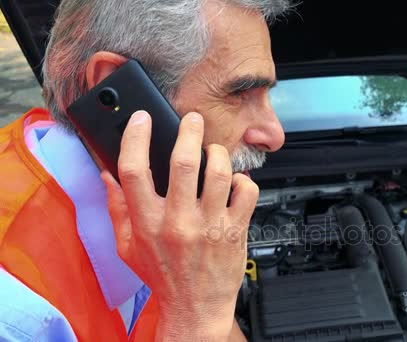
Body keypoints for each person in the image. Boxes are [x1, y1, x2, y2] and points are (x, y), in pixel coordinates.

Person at [0, 0, 290, 340]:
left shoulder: (168, 196)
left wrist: (208, 304)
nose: (275, 135)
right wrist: (196, 318)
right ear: (117, 90)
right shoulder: (18, 313)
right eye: (239, 92)